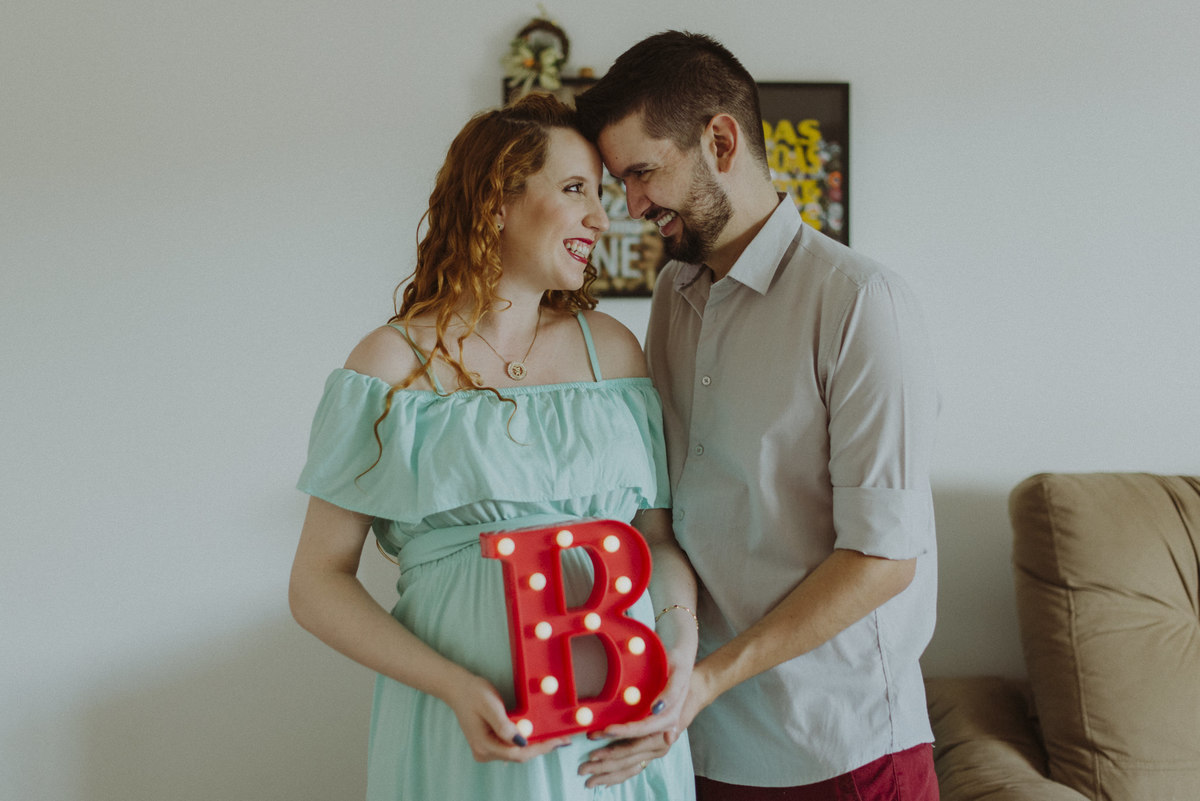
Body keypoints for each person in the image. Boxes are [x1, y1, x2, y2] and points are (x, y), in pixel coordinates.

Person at [288, 92, 699, 801]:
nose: (602, 218)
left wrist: (680, 655)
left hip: (619, 737)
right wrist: (452, 685)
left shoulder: (614, 353)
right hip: (471, 738)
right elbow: (316, 581)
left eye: (598, 195)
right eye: (575, 190)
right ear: (496, 203)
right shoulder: (388, 367)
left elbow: (654, 539)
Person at [574, 32, 941, 800]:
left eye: (642, 173)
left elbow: (883, 557)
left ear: (720, 139)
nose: (633, 206)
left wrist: (707, 678)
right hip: (700, 741)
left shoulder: (860, 302)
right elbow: (668, 515)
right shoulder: (674, 300)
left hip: (842, 748)